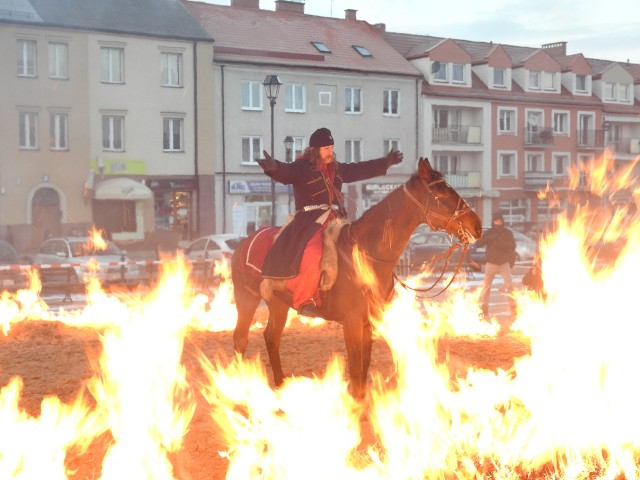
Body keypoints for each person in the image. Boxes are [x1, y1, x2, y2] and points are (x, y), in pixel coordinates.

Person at [256, 127, 403, 317]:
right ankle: (304, 299)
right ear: (315, 150)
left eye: (331, 147)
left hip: (336, 220)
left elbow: (359, 169)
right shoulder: (302, 168)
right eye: (326, 148)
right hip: (310, 221)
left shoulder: (337, 169)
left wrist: (386, 162)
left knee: (360, 245)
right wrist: (273, 167)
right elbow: (286, 172)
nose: (330, 152)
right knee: (313, 252)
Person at [474, 212, 516, 317]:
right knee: (486, 286)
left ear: (502, 221)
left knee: (509, 285)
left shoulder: (507, 233)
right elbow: (478, 244)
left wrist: (498, 241)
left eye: (500, 221)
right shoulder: (489, 232)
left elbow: (511, 246)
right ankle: (484, 307)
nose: (498, 223)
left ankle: (513, 307)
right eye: (496, 221)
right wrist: (487, 238)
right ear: (493, 221)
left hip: (504, 263)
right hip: (491, 263)